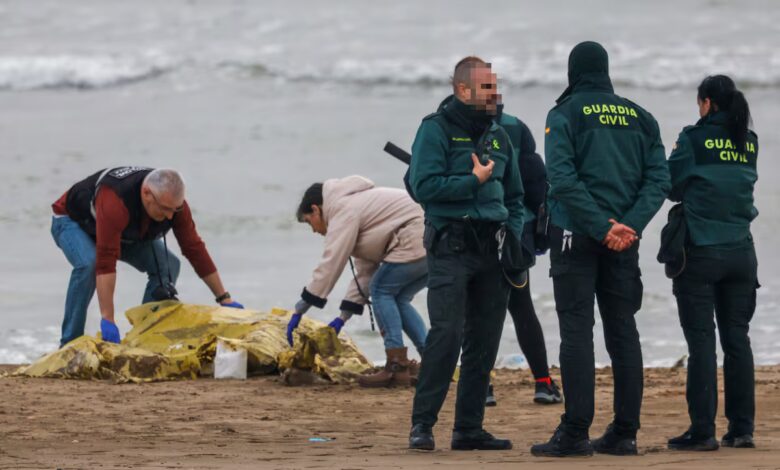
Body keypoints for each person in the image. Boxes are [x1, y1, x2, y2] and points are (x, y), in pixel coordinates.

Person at [530, 42, 670, 457]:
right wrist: (628, 226)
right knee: (623, 330)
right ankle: (625, 433)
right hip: (624, 239)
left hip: (575, 234)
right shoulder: (641, 117)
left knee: (577, 330)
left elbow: (562, 179)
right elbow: (659, 181)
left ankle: (575, 432)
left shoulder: (564, 113)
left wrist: (600, 226)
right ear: (605, 71)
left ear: (572, 72)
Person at [407, 56, 525, 452]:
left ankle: (468, 429)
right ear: (463, 90)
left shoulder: (500, 135)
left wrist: (514, 234)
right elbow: (423, 187)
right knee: (446, 335)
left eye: (495, 85)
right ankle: (422, 425)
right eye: (487, 87)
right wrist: (471, 181)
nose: (495, 93)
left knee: (484, 341)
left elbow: (516, 196)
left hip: (493, 249)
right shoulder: (435, 129)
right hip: (450, 246)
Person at [433, 95, 562, 407]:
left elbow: (427, 181)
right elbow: (535, 183)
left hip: (469, 232)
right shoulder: (514, 127)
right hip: (514, 233)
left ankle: (484, 386)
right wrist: (535, 231)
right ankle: (543, 383)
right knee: (521, 306)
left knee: (472, 312)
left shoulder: (448, 123)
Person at [665, 75, 759, 451]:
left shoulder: (693, 139)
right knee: (737, 340)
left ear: (707, 103)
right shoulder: (749, 141)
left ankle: (702, 431)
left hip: (701, 252)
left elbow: (671, 185)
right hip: (742, 254)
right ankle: (742, 429)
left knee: (702, 341)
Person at [51, 167, 243, 347]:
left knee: (169, 264)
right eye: (165, 208)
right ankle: (70, 343)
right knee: (89, 263)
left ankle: (141, 338)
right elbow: (106, 261)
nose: (170, 216)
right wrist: (107, 318)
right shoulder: (115, 200)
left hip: (121, 230)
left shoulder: (174, 206)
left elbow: (194, 248)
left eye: (174, 209)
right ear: (146, 194)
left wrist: (223, 298)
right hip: (72, 222)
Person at [287, 175, 428, 388]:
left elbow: (331, 262)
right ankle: (433, 361)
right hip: (431, 240)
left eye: (309, 222)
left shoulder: (342, 209)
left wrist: (300, 309)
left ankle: (396, 368)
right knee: (397, 298)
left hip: (414, 236)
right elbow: (364, 273)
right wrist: (342, 318)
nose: (314, 230)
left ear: (316, 209)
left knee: (380, 290)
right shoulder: (356, 207)